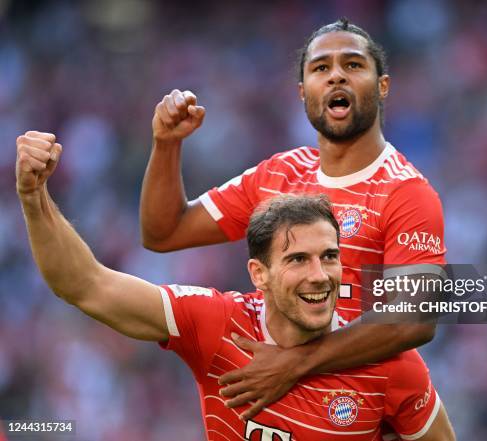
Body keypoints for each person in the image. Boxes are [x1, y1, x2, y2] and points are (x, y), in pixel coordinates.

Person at [15, 131, 455, 440]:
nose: (320, 275)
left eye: (330, 257)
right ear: (258, 274)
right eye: (298, 260)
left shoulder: (390, 366)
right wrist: (34, 198)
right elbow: (86, 285)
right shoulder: (218, 325)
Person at [140, 18, 447, 420]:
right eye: (321, 68)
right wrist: (166, 144)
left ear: (382, 86)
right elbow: (164, 232)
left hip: (362, 413)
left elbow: (415, 319)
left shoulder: (405, 191)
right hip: (276, 400)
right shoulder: (279, 174)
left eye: (353, 65)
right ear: (304, 94)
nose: (336, 75)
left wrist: (296, 363)